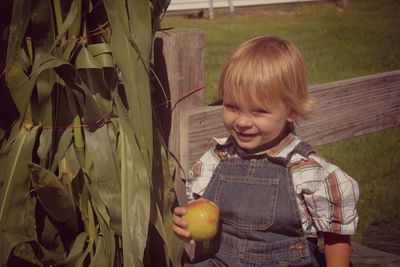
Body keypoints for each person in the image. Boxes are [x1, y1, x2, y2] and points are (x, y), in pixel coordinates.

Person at [173, 35, 359, 267]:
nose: (241, 122)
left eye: (258, 111)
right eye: (232, 106)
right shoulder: (216, 160)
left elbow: (336, 237)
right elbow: (199, 215)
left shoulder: (306, 172)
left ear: (292, 111)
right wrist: (185, 228)